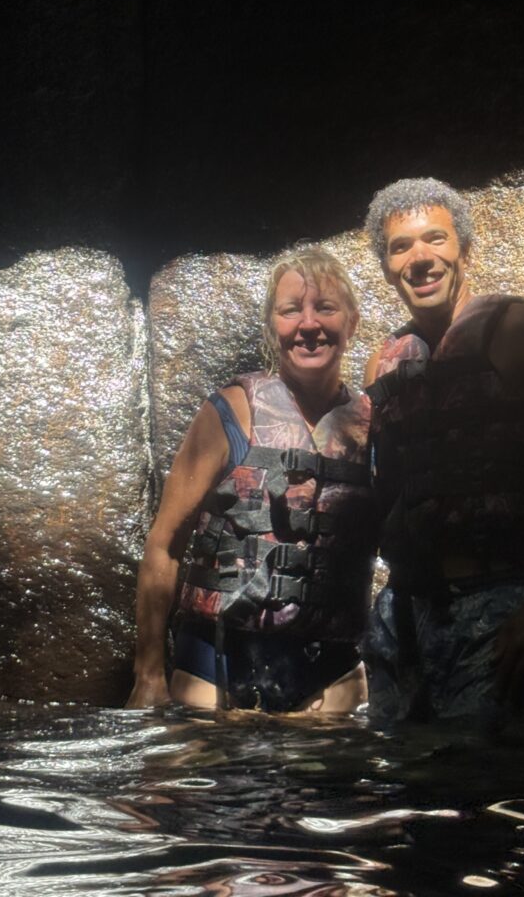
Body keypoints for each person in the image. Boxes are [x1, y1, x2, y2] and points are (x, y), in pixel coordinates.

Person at [362, 177, 524, 722]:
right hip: (400, 615)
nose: (420, 258)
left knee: (483, 767)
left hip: (497, 601)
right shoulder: (384, 363)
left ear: (465, 250)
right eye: (400, 247)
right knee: (400, 769)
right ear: (385, 267)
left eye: (435, 238)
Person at [126, 248, 377, 713]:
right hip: (216, 662)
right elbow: (164, 545)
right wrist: (148, 676)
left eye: (325, 308)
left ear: (353, 322)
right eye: (290, 310)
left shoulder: (372, 426)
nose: (308, 324)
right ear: (271, 325)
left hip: (330, 672)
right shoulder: (230, 411)